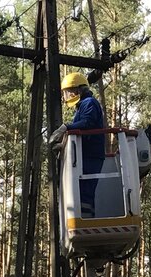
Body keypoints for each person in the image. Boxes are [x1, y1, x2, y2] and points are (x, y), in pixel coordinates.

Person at [49, 72, 106, 218]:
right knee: (81, 191)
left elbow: (87, 123)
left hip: (91, 155)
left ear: (77, 90)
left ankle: (85, 221)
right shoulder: (82, 106)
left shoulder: (89, 103)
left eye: (67, 92)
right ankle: (85, 219)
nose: (65, 97)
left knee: (85, 191)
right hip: (86, 154)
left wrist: (66, 128)